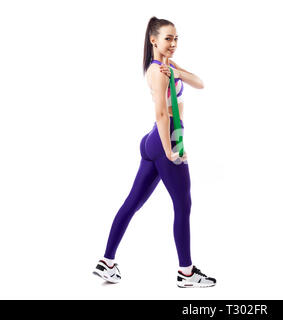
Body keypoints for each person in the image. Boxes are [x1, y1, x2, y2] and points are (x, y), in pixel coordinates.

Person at [92, 16, 216, 288]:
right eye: (167, 38)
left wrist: (179, 72)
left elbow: (201, 83)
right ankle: (186, 273)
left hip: (153, 140)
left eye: (176, 38)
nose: (173, 43)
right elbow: (161, 113)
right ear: (153, 40)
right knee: (183, 204)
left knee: (133, 202)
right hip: (166, 136)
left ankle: (107, 262)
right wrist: (172, 150)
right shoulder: (157, 72)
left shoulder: (169, 67)